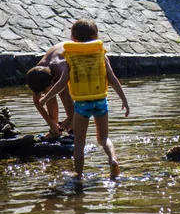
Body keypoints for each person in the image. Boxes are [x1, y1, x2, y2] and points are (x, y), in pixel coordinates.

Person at [39, 19, 130, 179]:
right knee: (104, 138)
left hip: (82, 105)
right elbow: (113, 79)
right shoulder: (101, 54)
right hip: (101, 101)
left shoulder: (70, 57)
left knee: (79, 144)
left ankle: (78, 174)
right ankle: (112, 159)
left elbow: (62, 83)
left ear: (73, 38)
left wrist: (46, 98)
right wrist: (124, 100)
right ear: (96, 37)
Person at [26, 42, 75, 140]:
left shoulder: (59, 68)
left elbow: (82, 102)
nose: (43, 94)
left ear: (53, 80)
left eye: (44, 91)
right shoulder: (36, 74)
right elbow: (37, 102)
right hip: (53, 69)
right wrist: (52, 124)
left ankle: (73, 130)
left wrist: (69, 119)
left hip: (71, 54)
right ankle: (55, 131)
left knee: (63, 93)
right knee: (49, 97)